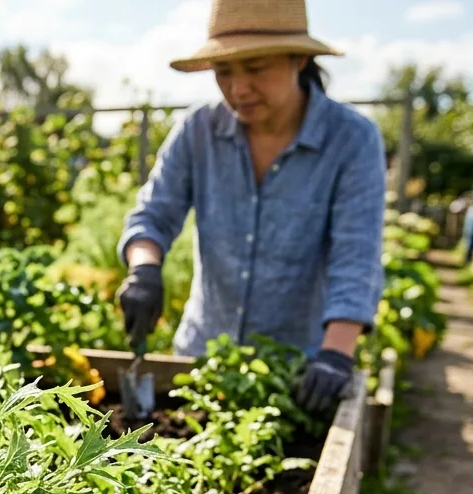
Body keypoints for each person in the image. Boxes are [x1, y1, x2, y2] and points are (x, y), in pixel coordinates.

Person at [116, 0, 386, 414]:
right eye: (224, 72)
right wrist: (144, 269)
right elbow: (154, 214)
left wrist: (336, 354)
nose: (239, 88)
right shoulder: (198, 131)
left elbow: (356, 252)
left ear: (299, 59)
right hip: (200, 359)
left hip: (296, 371)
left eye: (256, 68)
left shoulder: (351, 139)